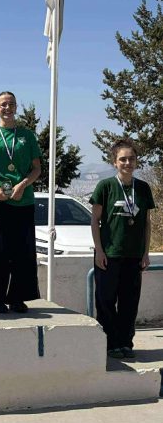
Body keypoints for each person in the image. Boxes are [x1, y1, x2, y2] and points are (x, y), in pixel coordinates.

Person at [0, 91, 42, 313]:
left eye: (11, 104)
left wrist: (23, 185)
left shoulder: (27, 135)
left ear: (16, 108)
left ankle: (18, 298)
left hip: (23, 199)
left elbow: (37, 169)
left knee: (22, 251)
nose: (7, 108)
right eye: (3, 104)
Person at [90, 139, 155, 359]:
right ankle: (110, 344)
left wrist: (145, 253)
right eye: (123, 159)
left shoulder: (143, 188)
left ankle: (126, 343)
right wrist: (99, 251)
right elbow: (95, 220)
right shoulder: (106, 186)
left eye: (131, 159)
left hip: (133, 255)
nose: (128, 163)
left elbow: (146, 223)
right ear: (115, 162)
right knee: (106, 302)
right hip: (109, 254)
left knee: (129, 302)